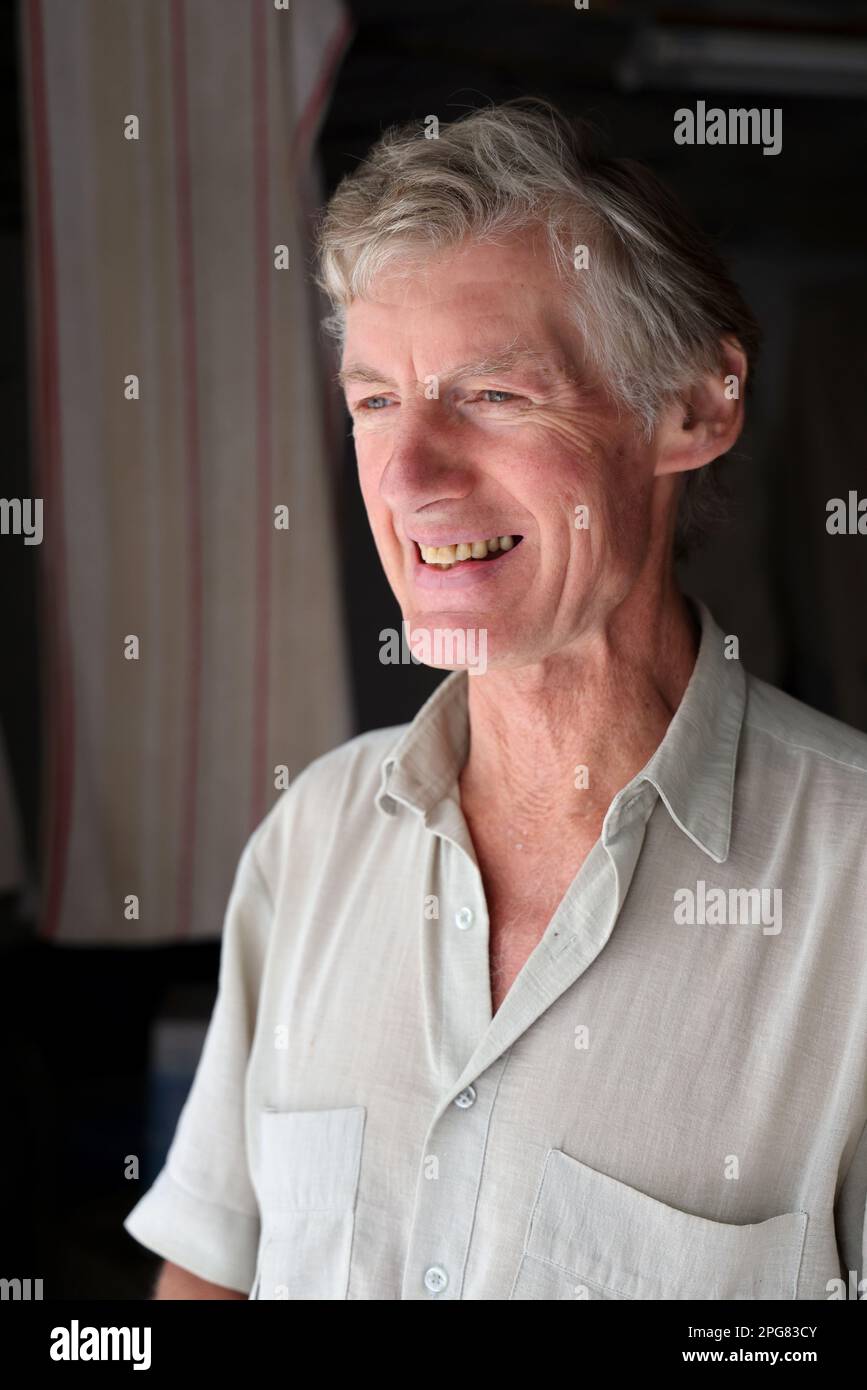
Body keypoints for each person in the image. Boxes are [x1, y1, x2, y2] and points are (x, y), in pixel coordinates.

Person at [124, 99, 867, 1301]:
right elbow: (208, 1276)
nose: (406, 476)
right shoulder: (313, 838)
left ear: (694, 407)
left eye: (494, 395)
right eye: (374, 401)